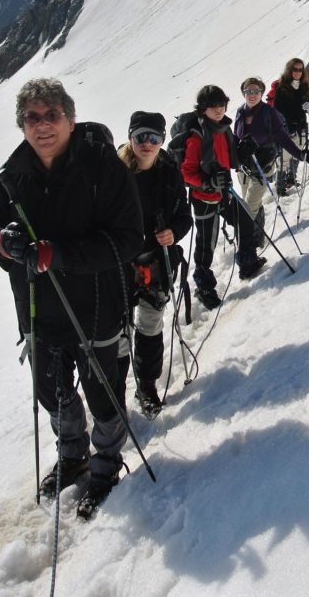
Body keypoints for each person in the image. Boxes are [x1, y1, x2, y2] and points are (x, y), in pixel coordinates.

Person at [0, 78, 143, 519]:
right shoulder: (11, 178)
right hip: (38, 313)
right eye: (33, 117)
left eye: (52, 115)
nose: (43, 125)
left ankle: (105, 464)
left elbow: (127, 239)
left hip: (96, 308)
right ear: (22, 125)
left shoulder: (102, 167)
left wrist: (61, 255)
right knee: (53, 393)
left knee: (103, 393)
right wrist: (3, 243)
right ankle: (73, 455)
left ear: (70, 118)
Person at [117, 111, 192, 418]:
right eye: (140, 137)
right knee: (119, 332)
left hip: (157, 263)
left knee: (149, 325)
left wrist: (174, 233)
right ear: (130, 137)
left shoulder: (169, 173)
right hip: (119, 265)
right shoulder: (114, 174)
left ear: (162, 141)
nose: (147, 144)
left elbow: (184, 215)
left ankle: (146, 384)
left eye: (154, 138)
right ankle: (115, 392)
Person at [179, 85, 257, 306]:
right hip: (204, 198)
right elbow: (186, 172)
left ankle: (247, 260)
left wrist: (244, 152)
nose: (218, 109)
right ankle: (204, 288)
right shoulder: (197, 137)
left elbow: (231, 161)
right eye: (213, 105)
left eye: (221, 104)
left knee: (245, 220)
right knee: (206, 245)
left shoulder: (224, 129)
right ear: (203, 108)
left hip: (224, 192)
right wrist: (207, 182)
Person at [234, 77, 308, 249]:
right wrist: (233, 160)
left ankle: (247, 247)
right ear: (243, 93)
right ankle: (258, 238)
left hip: (263, 166)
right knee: (252, 202)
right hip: (244, 168)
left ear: (261, 92)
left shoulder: (269, 113)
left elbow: (283, 138)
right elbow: (235, 138)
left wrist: (299, 153)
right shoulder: (240, 112)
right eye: (248, 91)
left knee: (248, 207)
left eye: (255, 91)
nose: (252, 95)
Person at [266, 58, 309, 195]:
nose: (298, 72)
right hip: (287, 128)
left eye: (300, 70)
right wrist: (285, 125)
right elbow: (278, 109)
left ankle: (292, 178)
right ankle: (280, 186)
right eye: (295, 69)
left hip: (301, 126)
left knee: (298, 151)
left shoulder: (304, 86)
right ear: (290, 70)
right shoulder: (282, 87)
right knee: (284, 157)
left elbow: (306, 102)